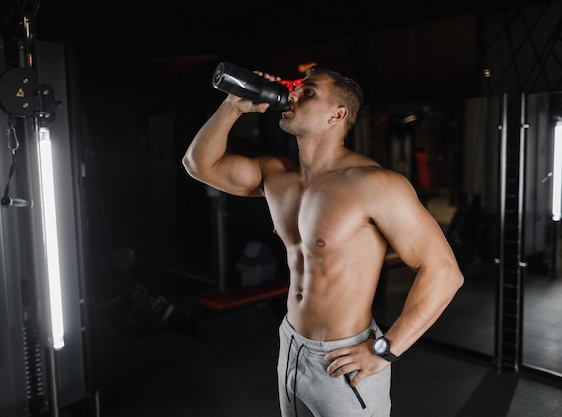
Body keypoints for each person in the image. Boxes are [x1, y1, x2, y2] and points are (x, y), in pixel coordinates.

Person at [182, 64, 464, 417]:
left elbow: (444, 271)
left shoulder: (373, 183)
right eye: (297, 88)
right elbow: (198, 165)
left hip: (344, 358)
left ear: (338, 114)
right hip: (291, 344)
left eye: (309, 91)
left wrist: (385, 349)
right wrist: (233, 106)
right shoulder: (276, 174)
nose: (294, 94)